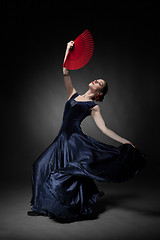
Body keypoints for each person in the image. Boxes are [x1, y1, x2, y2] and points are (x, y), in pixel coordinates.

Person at [27, 41, 147, 221]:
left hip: (75, 142)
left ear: (99, 93)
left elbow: (105, 129)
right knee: (39, 166)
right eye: (97, 79)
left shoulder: (93, 106)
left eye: (99, 82)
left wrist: (124, 142)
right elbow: (65, 71)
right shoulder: (73, 95)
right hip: (60, 140)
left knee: (70, 173)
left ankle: (68, 206)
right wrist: (68, 49)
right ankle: (39, 206)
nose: (96, 80)